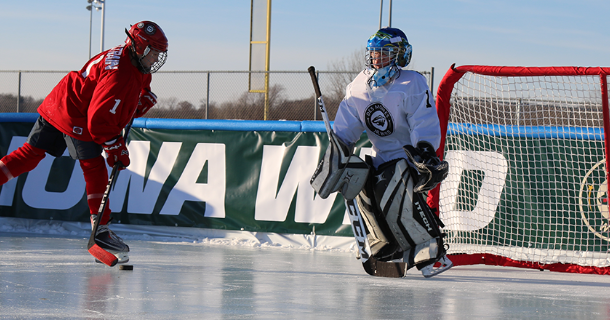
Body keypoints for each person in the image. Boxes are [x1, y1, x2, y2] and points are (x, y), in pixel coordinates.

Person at [0, 21, 168, 265]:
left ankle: (100, 228)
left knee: (30, 155)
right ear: (139, 46)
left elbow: (135, 91)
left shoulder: (134, 62)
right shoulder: (119, 73)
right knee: (94, 166)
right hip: (77, 112)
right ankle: (100, 229)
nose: (156, 58)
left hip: (62, 100)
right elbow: (99, 121)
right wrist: (114, 146)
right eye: (153, 51)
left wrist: (139, 103)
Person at [311, 27, 451, 277]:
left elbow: (424, 120)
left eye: (384, 53)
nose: (377, 58)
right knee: (361, 181)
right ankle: (384, 243)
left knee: (392, 187)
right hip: (380, 156)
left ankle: (429, 250)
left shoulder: (412, 82)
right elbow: (345, 130)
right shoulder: (358, 86)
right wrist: (337, 156)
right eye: (374, 53)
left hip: (409, 158)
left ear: (400, 54)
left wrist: (426, 151)